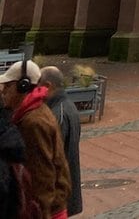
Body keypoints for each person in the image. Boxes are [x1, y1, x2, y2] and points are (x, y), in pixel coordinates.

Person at [0, 59, 70, 219]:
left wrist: (42, 213)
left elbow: (42, 175)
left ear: (22, 86)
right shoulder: (33, 112)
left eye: (8, 86)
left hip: (46, 211)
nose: (4, 92)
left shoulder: (33, 122)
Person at [39, 68, 82, 218]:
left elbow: (55, 153)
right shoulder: (65, 106)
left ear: (48, 86)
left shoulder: (59, 112)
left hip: (61, 188)